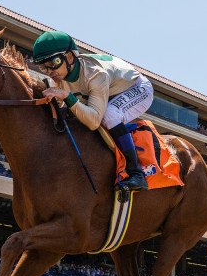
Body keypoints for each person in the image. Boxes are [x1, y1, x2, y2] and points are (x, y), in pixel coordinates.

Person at [32, 31, 154, 191]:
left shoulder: (96, 74)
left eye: (53, 62)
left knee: (109, 114)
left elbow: (94, 122)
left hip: (137, 87)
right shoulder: (59, 78)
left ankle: (136, 173)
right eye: (43, 66)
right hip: (109, 90)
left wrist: (67, 96)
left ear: (69, 57)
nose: (49, 71)